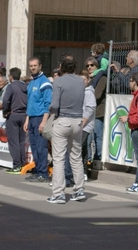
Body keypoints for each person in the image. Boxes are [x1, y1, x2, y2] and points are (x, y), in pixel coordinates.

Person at [47, 53, 86, 204]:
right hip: (77, 120)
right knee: (76, 157)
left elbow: (55, 105)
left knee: (59, 159)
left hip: (62, 119)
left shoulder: (58, 81)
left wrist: (50, 109)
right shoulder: (80, 82)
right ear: (75, 67)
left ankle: (58, 194)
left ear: (61, 66)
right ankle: (79, 190)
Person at [119, 73, 138, 194]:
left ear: (135, 82)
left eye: (130, 80)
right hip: (137, 130)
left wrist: (129, 119)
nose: (129, 83)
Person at [23, 57, 52, 182]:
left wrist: (44, 122)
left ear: (40, 66)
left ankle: (43, 173)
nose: (33, 68)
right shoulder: (31, 82)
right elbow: (30, 103)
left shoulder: (45, 82)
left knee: (41, 147)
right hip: (32, 118)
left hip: (40, 118)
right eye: (31, 66)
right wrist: (27, 119)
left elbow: (48, 104)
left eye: (35, 65)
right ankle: (37, 170)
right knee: (34, 146)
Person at [3, 67, 27, 174]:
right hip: (24, 115)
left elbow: (5, 100)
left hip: (13, 114)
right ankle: (22, 163)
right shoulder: (25, 86)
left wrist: (5, 111)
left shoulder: (11, 86)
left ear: (11, 77)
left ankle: (16, 165)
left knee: (14, 142)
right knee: (21, 141)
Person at [85, 57, 107, 162]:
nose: (89, 67)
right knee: (88, 139)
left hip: (98, 111)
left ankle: (98, 158)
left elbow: (97, 95)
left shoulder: (102, 77)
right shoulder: (89, 79)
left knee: (98, 136)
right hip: (88, 113)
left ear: (97, 66)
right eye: (87, 66)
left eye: (92, 65)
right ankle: (88, 159)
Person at [79, 70, 96, 180]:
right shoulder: (79, 91)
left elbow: (90, 109)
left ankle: (82, 171)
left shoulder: (89, 92)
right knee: (83, 148)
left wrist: (82, 123)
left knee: (79, 147)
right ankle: (84, 171)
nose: (82, 82)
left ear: (88, 80)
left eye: (84, 80)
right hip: (78, 124)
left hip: (85, 125)